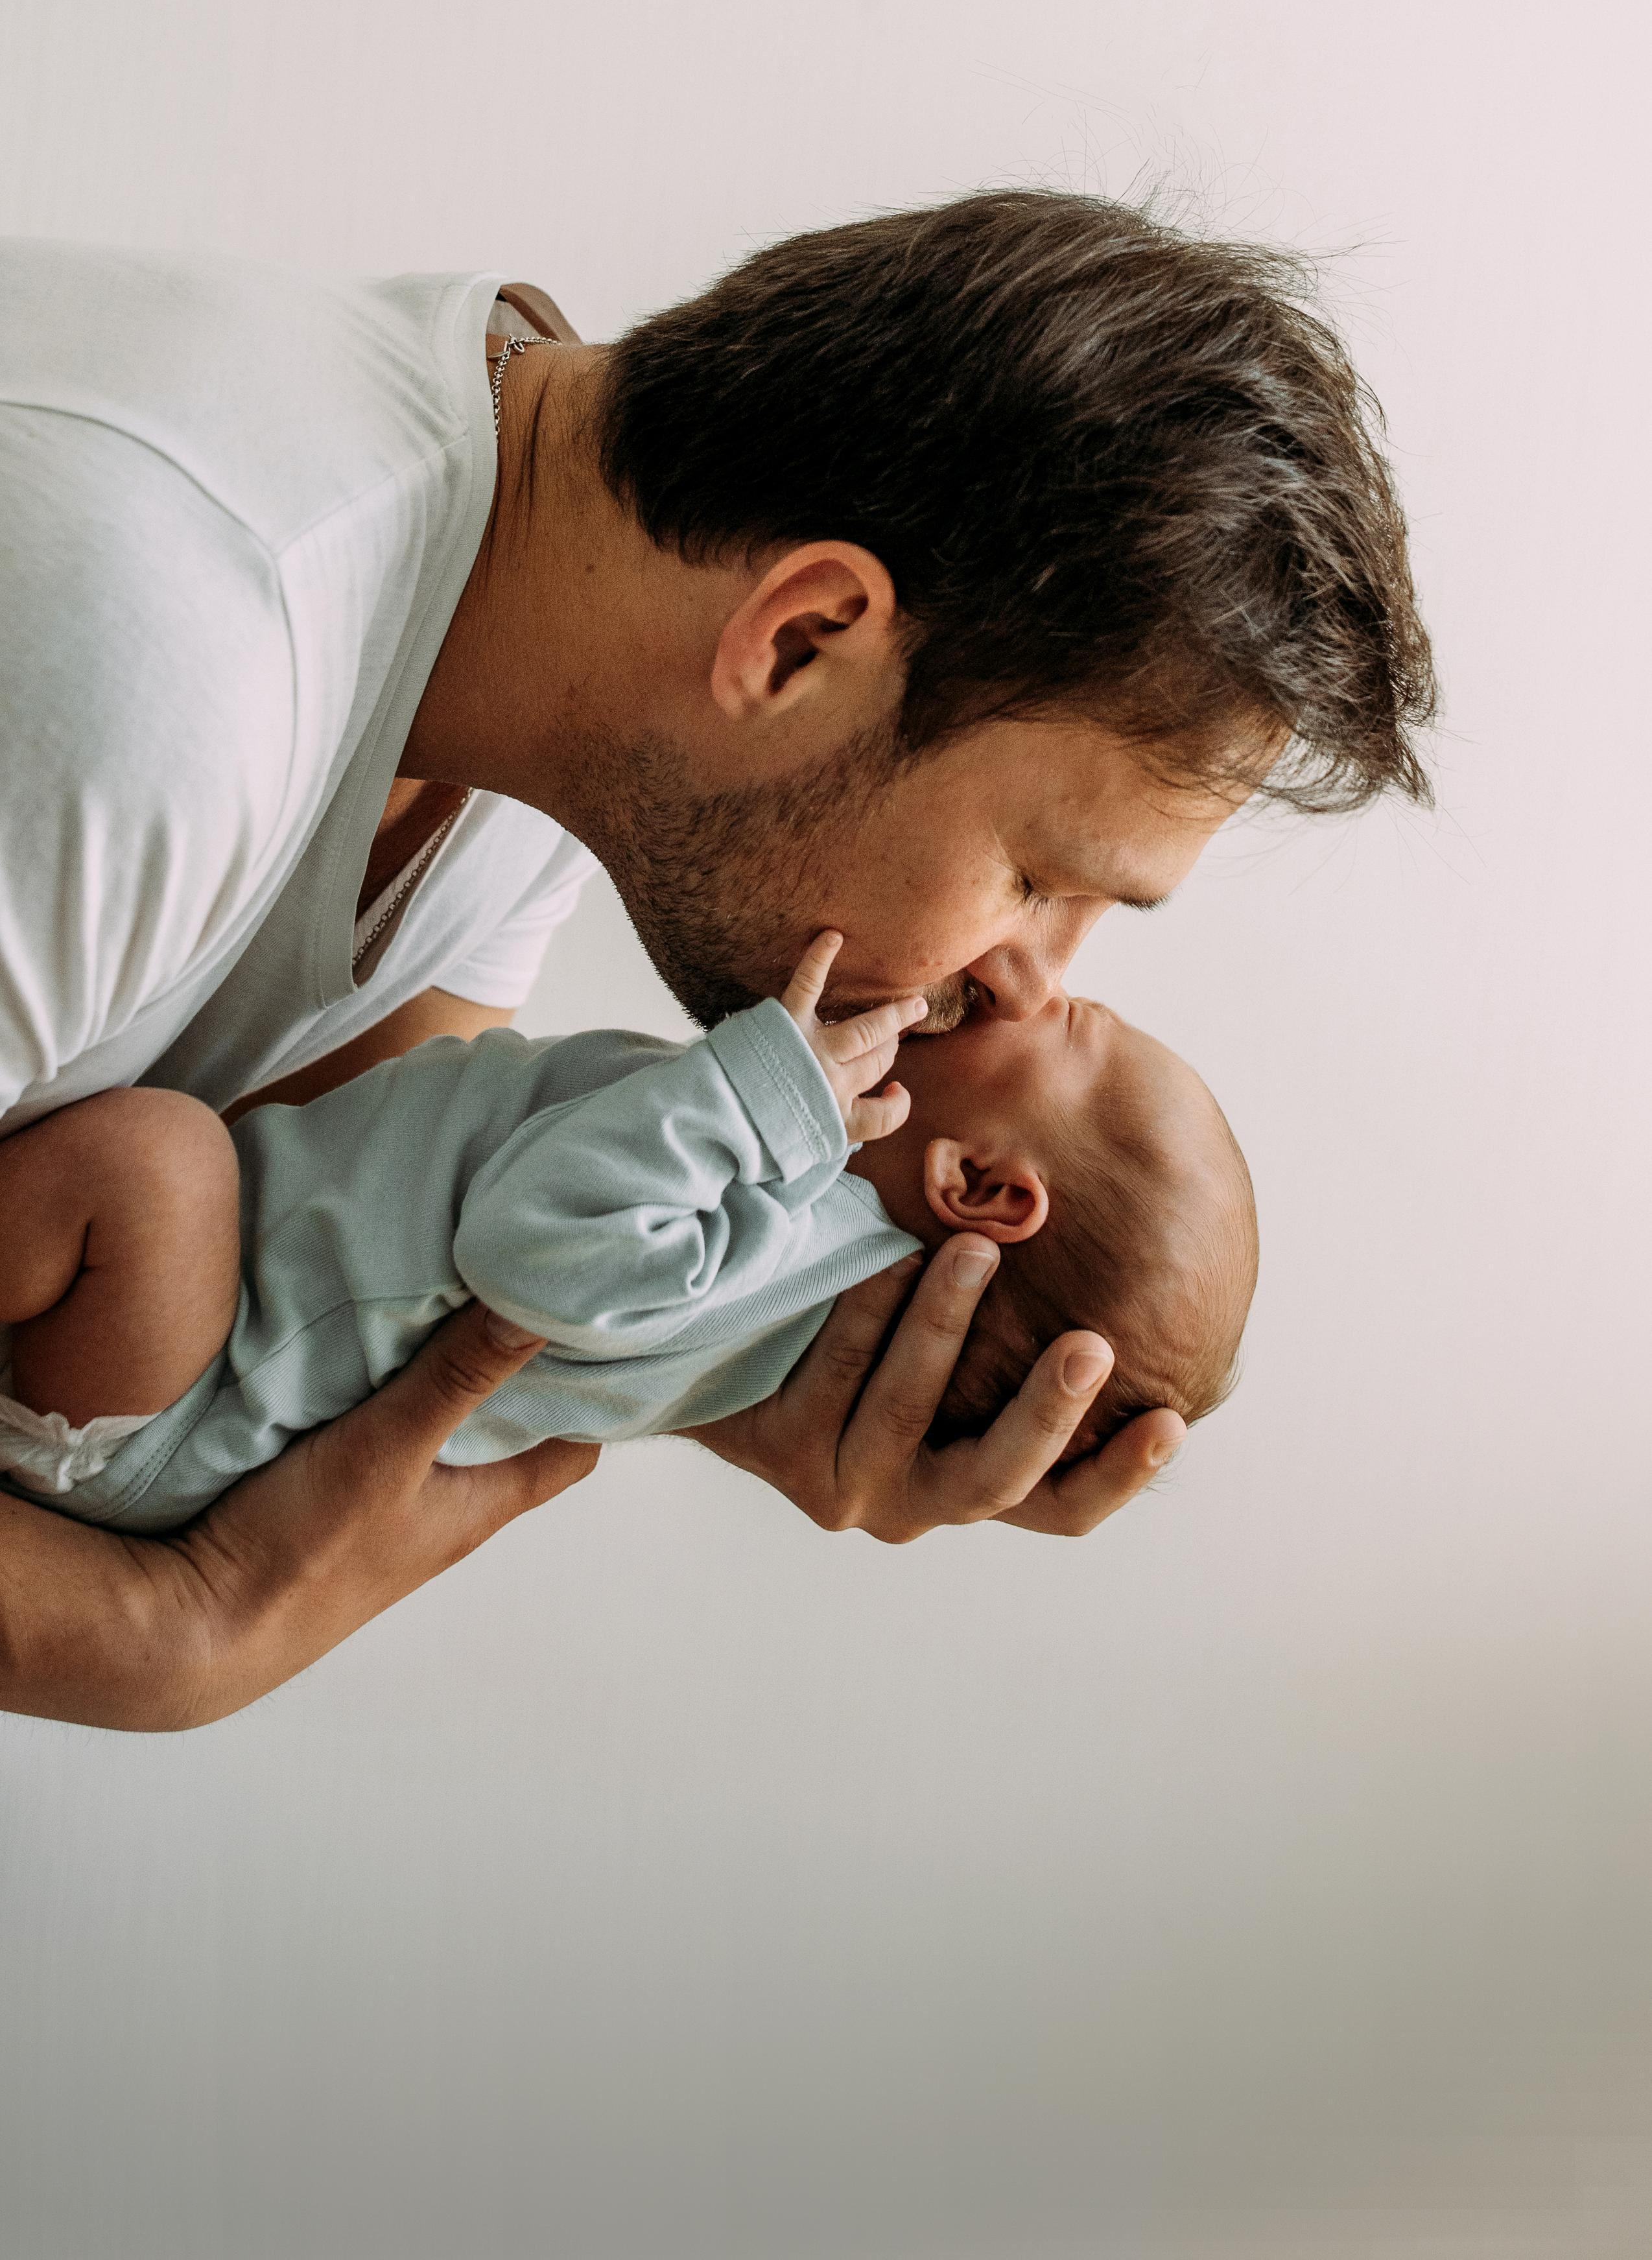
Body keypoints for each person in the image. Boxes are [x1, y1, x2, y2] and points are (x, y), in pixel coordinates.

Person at [0, 190, 1434, 1728]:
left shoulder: (536, 713)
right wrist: (160, 1629)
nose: (1019, 976)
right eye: (1035, 876)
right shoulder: (148, 686)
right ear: (801, 639)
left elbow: (345, 1230)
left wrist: (727, 1369)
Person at [0, 933, 1255, 1527]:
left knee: (153, 1165)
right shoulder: (789, 1211)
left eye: (1071, 1026)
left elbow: (528, 1256)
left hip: (185, 1404)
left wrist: (762, 1090)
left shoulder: (781, 1256)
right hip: (213, 1359)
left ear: (980, 1188)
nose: (1029, 971)